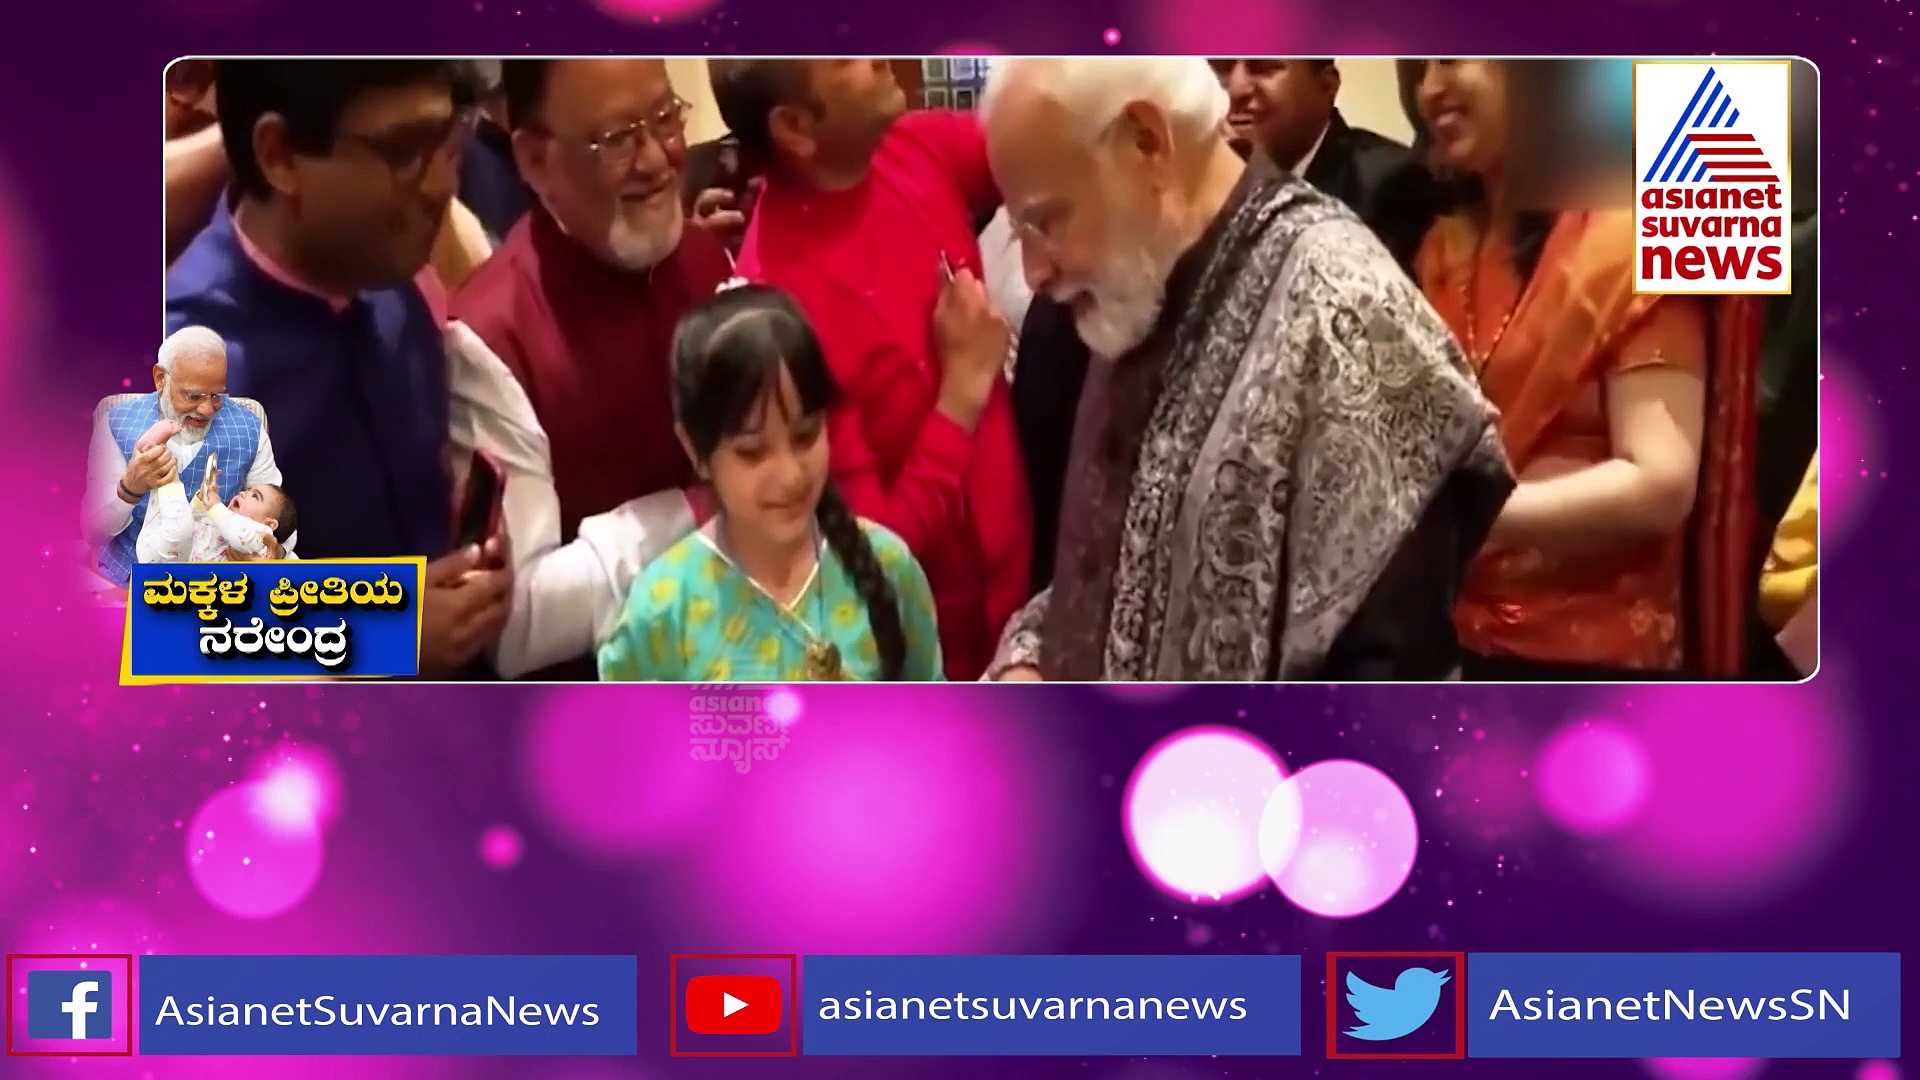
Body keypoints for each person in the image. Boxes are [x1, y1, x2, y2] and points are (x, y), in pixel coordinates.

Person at [982, 57, 1512, 682]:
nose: (1035, 273)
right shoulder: (1134, 287)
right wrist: (1031, 660)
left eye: (1048, 220)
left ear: (1145, 142)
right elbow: (1113, 573)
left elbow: (1389, 685)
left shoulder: (1341, 308)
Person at [1407, 58, 1760, 677]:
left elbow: (1660, 483)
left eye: (1453, 58)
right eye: (1421, 67)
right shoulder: (1443, 248)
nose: (1430, 88)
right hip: (1452, 633)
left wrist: (1463, 517)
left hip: (1592, 659)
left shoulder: (1641, 231)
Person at [166, 60, 511, 678]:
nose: (439, 185)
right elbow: (154, 627)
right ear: (280, 156)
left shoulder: (383, 271)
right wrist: (381, 629)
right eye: (404, 150)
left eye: (445, 140)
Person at [710, 58, 1030, 680]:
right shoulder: (779, 312)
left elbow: (1035, 134)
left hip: (1024, 588)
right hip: (931, 649)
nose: (878, 52)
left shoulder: (908, 148)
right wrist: (962, 391)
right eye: (845, 57)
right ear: (796, 126)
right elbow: (871, 553)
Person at [449, 58, 735, 678]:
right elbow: (518, 625)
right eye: (617, 139)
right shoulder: (492, 336)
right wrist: (697, 509)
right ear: (535, 161)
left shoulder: (707, 259)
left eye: (664, 119)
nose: (658, 159)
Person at [598, 285, 942, 682]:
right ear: (696, 451)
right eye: (753, 452)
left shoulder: (889, 566)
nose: (791, 475)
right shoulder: (663, 612)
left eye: (806, 436)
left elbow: (931, 723)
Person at [85, 326, 286, 587]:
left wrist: (274, 553)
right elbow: (92, 532)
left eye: (216, 396)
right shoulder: (116, 424)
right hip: (129, 581)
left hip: (220, 587)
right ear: (160, 378)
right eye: (193, 396)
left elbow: (277, 515)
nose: (206, 409)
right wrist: (129, 488)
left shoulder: (249, 428)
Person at [1212, 58, 1437, 270]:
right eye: (1221, 68)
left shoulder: (1389, 185)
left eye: (1265, 67)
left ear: (1327, 86)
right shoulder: (1206, 190)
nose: (1235, 90)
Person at [140, 450, 297, 564]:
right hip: (157, 552)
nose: (243, 493)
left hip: (185, 579)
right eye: (247, 490)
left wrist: (215, 506)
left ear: (269, 524)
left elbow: (240, 537)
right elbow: (197, 520)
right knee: (179, 522)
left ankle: (167, 476)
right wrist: (202, 500)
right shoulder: (221, 520)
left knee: (180, 528)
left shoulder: (261, 538)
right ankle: (161, 471)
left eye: (255, 496)